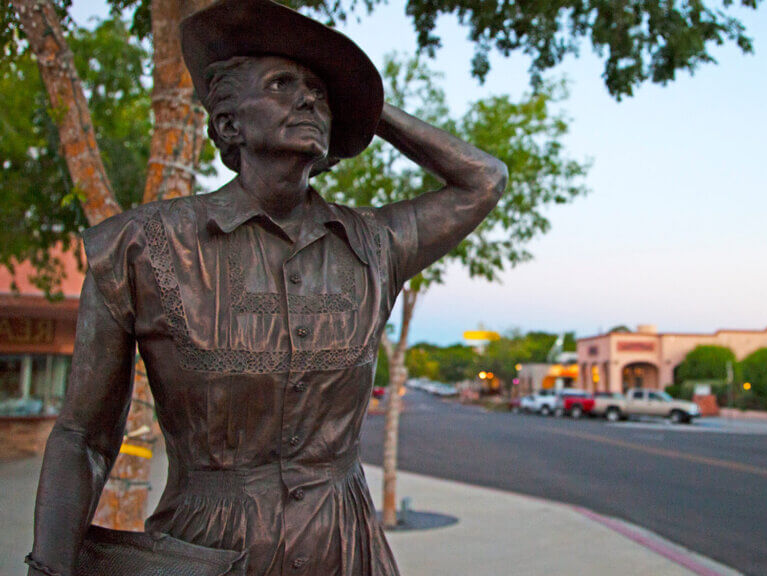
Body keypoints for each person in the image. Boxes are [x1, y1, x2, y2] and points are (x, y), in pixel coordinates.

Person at [25, 0, 506, 574]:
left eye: (320, 93)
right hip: (210, 550)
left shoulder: (376, 244)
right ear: (228, 123)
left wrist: (369, 109)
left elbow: (483, 180)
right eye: (283, 84)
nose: (308, 99)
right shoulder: (138, 247)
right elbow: (83, 435)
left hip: (345, 548)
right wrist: (49, 567)